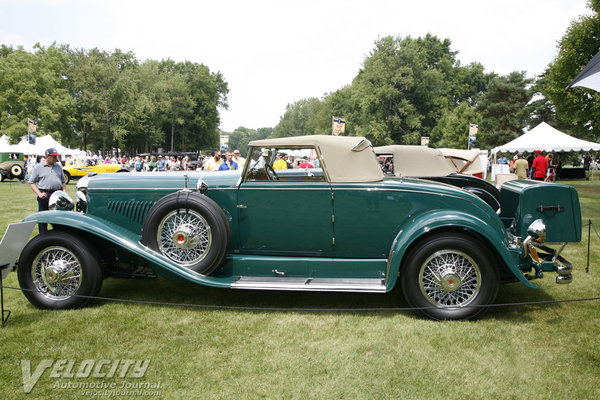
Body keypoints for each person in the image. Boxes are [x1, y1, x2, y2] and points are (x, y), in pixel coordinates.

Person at [28, 148, 67, 233]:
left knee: (58, 217)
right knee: (43, 217)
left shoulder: (58, 166)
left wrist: (64, 192)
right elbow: (31, 182)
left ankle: (59, 234)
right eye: (53, 156)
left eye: (56, 156)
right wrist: (39, 193)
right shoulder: (38, 167)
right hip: (45, 194)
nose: (56, 158)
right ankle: (43, 236)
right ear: (47, 156)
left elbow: (63, 181)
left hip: (57, 194)